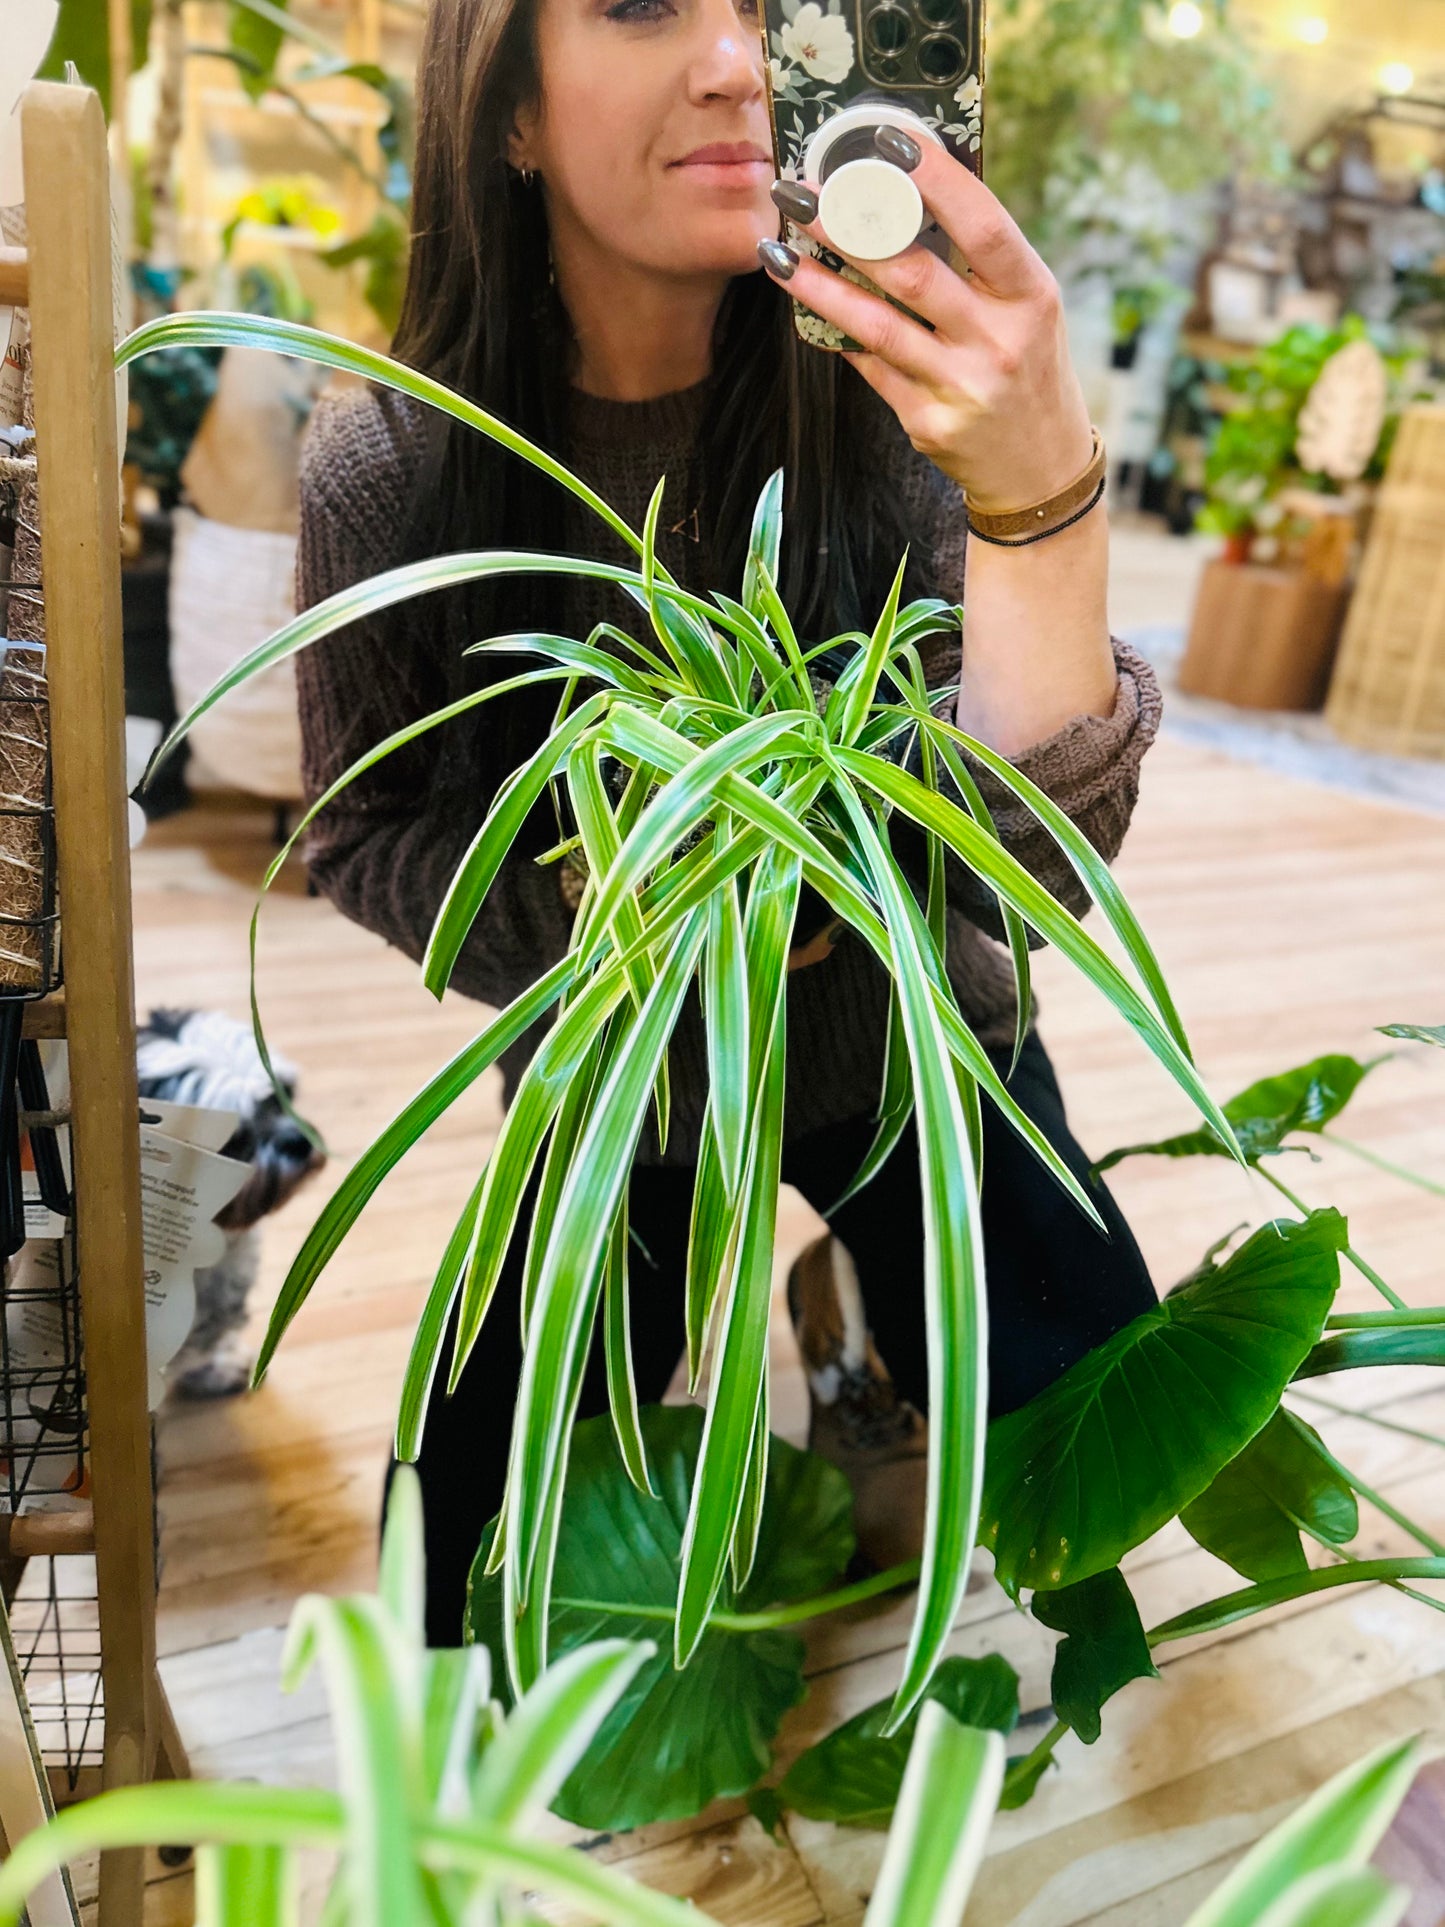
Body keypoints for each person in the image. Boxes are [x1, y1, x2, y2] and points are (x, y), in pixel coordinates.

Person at [294, 0, 1163, 1645]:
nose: (737, 62)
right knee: (457, 1577)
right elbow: (367, 833)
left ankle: (841, 1342)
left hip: (915, 1045)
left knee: (1104, 1477)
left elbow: (1037, 864)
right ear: (507, 111)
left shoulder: (902, 408)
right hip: (619, 1066)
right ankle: (838, 1349)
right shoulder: (395, 469)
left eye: (773, 11)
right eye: (641, 5)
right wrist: (636, 907)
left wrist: (1035, 496)